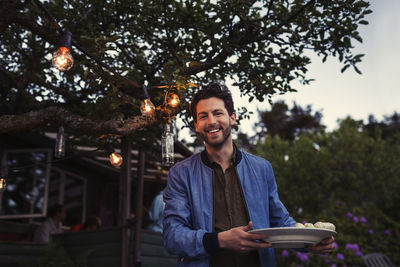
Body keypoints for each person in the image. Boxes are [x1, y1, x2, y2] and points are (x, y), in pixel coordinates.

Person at [162, 83, 334, 267]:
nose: (211, 121)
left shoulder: (262, 168)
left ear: (232, 117)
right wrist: (218, 240)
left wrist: (309, 242)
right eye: (203, 116)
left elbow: (280, 222)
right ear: (196, 125)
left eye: (218, 113)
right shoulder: (181, 174)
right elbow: (173, 236)